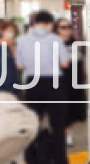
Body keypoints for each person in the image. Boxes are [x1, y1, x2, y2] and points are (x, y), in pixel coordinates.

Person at [16, 10, 71, 164]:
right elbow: (64, 63)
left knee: (32, 123)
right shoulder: (56, 39)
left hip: (32, 83)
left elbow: (19, 66)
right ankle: (60, 159)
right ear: (48, 24)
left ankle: (31, 157)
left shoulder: (21, 40)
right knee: (58, 125)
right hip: (54, 83)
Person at [57, 18, 88, 147]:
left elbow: (79, 62)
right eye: (63, 27)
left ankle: (68, 135)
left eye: (68, 27)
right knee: (60, 111)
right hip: (58, 82)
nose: (66, 30)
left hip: (73, 82)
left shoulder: (74, 43)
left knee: (72, 111)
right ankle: (60, 136)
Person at [0, 21, 21, 96]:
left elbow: (19, 65)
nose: (10, 33)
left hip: (11, 78)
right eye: (8, 30)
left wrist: (12, 47)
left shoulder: (17, 45)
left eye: (13, 31)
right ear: (2, 31)